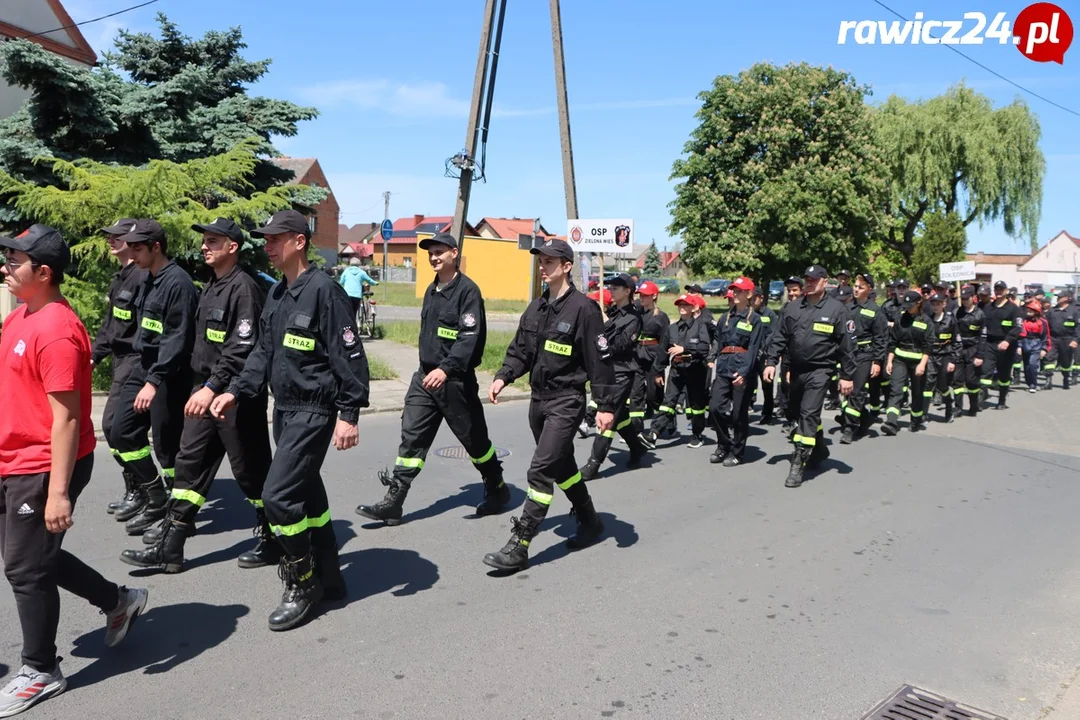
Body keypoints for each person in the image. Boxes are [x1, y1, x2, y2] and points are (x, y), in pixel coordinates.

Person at [0, 225, 147, 718]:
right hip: (12, 457)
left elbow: (64, 418)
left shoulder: (57, 330)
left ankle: (41, 670)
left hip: (44, 464)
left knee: (24, 567)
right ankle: (118, 600)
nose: (5, 267)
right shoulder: (21, 316)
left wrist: (58, 493)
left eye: (14, 261)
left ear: (44, 272)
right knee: (33, 554)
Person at [209, 209, 369, 631]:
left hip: (314, 410)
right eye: (265, 239)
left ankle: (303, 582)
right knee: (309, 496)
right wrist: (235, 390)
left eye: (275, 239)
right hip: (284, 409)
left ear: (299, 241)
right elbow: (261, 352)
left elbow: (349, 355)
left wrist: (349, 414)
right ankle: (331, 576)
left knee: (278, 496)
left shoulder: (325, 292)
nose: (267, 246)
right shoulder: (278, 294)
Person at [119, 217, 274, 572]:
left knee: (250, 473)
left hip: (233, 397)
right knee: (188, 466)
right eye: (204, 240)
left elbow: (242, 348)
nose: (205, 246)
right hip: (203, 391)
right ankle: (170, 548)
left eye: (213, 241)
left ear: (232, 247)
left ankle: (274, 537)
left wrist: (212, 387)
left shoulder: (244, 288)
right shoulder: (211, 285)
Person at [355, 232, 509, 524]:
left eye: (439, 252)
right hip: (425, 378)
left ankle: (497, 486)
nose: (434, 257)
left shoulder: (468, 292)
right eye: (430, 253)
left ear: (454, 253)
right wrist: (430, 369)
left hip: (454, 381)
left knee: (474, 441)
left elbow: (469, 339)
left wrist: (446, 369)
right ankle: (394, 501)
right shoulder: (432, 290)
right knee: (412, 437)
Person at [482, 238, 615, 573]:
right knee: (562, 467)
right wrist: (503, 376)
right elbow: (520, 350)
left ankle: (521, 542)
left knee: (540, 470)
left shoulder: (584, 309)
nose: (543, 267)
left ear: (566, 266)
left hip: (567, 400)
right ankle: (589, 519)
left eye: (549, 262)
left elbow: (600, 360)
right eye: (540, 262)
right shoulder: (536, 308)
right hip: (538, 401)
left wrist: (606, 405)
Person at [108, 220, 198, 530]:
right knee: (120, 431)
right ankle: (155, 495)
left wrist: (153, 380)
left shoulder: (179, 284)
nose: (131, 254)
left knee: (167, 446)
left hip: (168, 373)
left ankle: (175, 513)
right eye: (129, 247)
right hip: (144, 365)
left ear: (155, 247)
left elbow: (177, 339)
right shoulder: (148, 278)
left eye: (137, 248)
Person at [763, 265, 856, 488]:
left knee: (808, 413)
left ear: (825, 282)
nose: (810, 283)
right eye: (807, 279)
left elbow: (847, 346)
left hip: (821, 370)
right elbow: (779, 337)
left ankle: (798, 464)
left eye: (815, 280)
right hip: (795, 371)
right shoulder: (792, 308)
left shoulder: (837, 310)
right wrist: (770, 362)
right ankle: (819, 447)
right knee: (794, 412)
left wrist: (847, 375)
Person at [90, 218, 146, 515]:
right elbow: (109, 325)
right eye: (109, 236)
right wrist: (93, 356)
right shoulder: (121, 277)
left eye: (117, 236)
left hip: (136, 361)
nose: (111, 240)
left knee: (116, 427)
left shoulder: (141, 277)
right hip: (119, 361)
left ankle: (146, 490)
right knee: (114, 430)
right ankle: (137, 486)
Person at [579, 273, 647, 479]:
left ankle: (593, 464)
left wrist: (605, 321)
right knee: (619, 416)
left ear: (628, 291)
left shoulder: (633, 318)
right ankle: (636, 447)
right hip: (605, 370)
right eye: (611, 286)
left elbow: (619, 345)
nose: (612, 289)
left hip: (622, 372)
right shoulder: (613, 313)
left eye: (616, 287)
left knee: (606, 416)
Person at [642, 294, 712, 448]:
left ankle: (697, 434)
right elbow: (663, 351)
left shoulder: (701, 326)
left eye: (685, 305)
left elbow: (704, 348)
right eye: (679, 305)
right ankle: (653, 434)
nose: (681, 307)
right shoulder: (672, 328)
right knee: (668, 403)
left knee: (696, 406)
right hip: (677, 370)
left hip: (695, 370)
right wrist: (659, 371)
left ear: (693, 308)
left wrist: (685, 349)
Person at [708, 277, 764, 466]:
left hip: (742, 369)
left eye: (739, 291)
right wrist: (712, 358)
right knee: (715, 407)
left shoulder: (755, 319)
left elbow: (754, 348)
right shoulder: (725, 318)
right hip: (724, 367)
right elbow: (718, 342)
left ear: (749, 294)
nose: (735, 293)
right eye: (734, 290)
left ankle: (738, 452)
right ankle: (724, 444)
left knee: (739, 413)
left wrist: (744, 371)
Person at [837, 272, 887, 443]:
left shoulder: (875, 311)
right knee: (846, 390)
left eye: (861, 287)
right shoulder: (847, 308)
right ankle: (864, 419)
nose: (856, 289)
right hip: (848, 355)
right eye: (856, 286)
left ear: (869, 289)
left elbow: (881, 338)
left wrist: (877, 361)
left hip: (866, 355)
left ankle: (850, 428)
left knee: (857, 392)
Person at [881, 290, 932, 435]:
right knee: (895, 389)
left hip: (917, 360)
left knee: (917, 393)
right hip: (900, 359)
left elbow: (928, 346)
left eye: (911, 305)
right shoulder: (900, 318)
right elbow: (892, 341)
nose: (907, 308)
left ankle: (916, 420)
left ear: (918, 303)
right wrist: (889, 361)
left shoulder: (925, 321)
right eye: (906, 305)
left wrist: (922, 364)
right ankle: (891, 422)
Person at [981, 280, 1021, 410]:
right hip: (990, 344)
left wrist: (1007, 341)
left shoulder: (1014, 309)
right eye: (996, 289)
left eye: (1001, 289)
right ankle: (983, 394)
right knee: (985, 371)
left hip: (1006, 346)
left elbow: (1017, 327)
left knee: (1004, 375)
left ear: (1006, 291)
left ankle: (1002, 400)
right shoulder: (988, 308)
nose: (998, 291)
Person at [634, 280, 669, 420]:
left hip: (653, 357)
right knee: (635, 392)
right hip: (637, 356)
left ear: (654, 296)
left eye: (646, 295)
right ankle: (636, 429)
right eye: (640, 295)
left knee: (653, 394)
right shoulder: (636, 314)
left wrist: (660, 368)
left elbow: (664, 343)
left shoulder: (661, 316)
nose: (642, 298)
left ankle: (667, 419)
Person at [925, 291, 960, 423]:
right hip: (931, 355)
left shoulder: (951, 320)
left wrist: (953, 360)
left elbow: (957, 342)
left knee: (943, 386)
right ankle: (924, 414)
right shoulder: (928, 319)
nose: (935, 306)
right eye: (933, 304)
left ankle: (949, 407)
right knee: (928, 385)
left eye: (938, 303)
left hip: (946, 356)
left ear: (944, 304)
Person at [952, 286, 985, 417]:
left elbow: (983, 336)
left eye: (967, 298)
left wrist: (980, 355)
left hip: (973, 349)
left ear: (973, 298)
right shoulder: (956, 312)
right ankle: (958, 408)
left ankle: (974, 405)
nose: (965, 301)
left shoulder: (980, 314)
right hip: (959, 348)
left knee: (971, 381)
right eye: (963, 299)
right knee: (957, 380)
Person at [775, 276, 803, 431]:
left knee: (799, 388)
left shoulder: (807, 307)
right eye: (789, 291)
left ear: (801, 290)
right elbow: (779, 333)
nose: (792, 294)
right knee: (786, 387)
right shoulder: (785, 309)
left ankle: (800, 419)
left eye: (795, 290)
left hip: (801, 356)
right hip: (787, 355)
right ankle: (791, 418)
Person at [748, 288, 777, 424]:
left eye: (755, 299)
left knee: (767, 385)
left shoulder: (769, 314)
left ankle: (767, 413)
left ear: (761, 298)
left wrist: (765, 350)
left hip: (764, 356)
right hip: (749, 354)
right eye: (750, 299)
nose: (752, 301)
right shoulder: (748, 313)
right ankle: (746, 408)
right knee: (748, 383)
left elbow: (773, 334)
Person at [1046, 290, 1078, 389]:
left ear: (1066, 298)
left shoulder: (1074, 311)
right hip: (1053, 338)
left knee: (1065, 362)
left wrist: (1076, 340)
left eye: (1060, 297)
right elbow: (1046, 326)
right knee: (1049, 358)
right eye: (1058, 297)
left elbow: (1078, 327)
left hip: (1067, 339)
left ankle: (1065, 378)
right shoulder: (1052, 311)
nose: (1058, 298)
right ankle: (1048, 381)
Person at [1018, 300, 1050, 393]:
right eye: (1028, 309)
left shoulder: (1043, 322)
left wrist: (1044, 349)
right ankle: (1029, 383)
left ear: (1037, 311)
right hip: (1025, 344)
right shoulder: (1023, 320)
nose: (1029, 311)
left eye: (1031, 309)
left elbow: (1046, 336)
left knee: (1033, 364)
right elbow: (1019, 335)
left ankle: (1033, 384)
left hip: (1037, 345)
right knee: (1027, 366)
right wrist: (1019, 346)